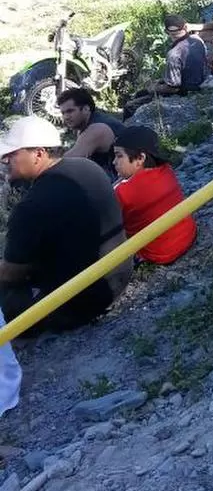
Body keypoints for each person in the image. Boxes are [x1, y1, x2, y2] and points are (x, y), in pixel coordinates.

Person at [0, 116, 132, 332]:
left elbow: (10, 273)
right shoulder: (86, 166)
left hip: (82, 302)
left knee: (7, 291)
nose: (5, 161)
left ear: (39, 154)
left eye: (10, 155)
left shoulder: (30, 207)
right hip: (120, 273)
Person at [113, 126, 196, 265]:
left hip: (159, 256)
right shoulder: (166, 170)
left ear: (140, 158)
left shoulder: (122, 192)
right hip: (188, 236)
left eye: (119, 155)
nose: (114, 162)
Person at [122, 15, 209, 120]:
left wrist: (155, 88)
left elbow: (174, 87)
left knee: (129, 106)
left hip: (186, 89)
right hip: (199, 79)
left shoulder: (174, 54)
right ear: (185, 27)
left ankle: (126, 128)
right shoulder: (197, 40)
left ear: (167, 32)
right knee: (141, 93)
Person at [58, 87, 125, 178]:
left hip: (123, 182)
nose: (66, 117)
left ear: (86, 109)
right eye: (63, 113)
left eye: (70, 111)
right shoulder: (89, 123)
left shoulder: (96, 129)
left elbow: (67, 162)